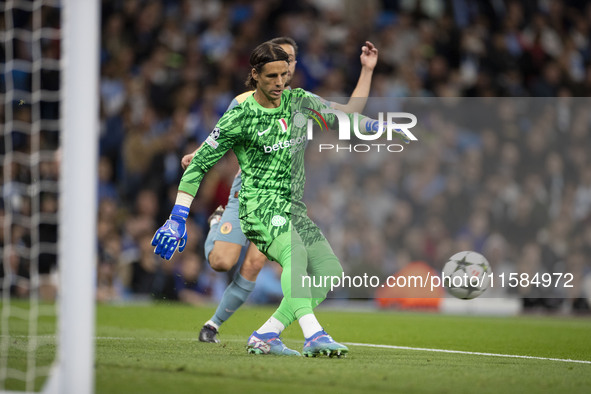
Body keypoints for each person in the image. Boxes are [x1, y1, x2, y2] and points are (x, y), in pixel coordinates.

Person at [180, 37, 379, 344]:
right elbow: (221, 134)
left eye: (289, 62)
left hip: (283, 202)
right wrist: (199, 153)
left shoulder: (301, 102)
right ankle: (217, 225)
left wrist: (366, 71)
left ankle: (225, 326)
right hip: (248, 194)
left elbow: (350, 113)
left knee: (263, 261)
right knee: (222, 261)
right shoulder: (245, 103)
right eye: (277, 65)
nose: (283, 71)